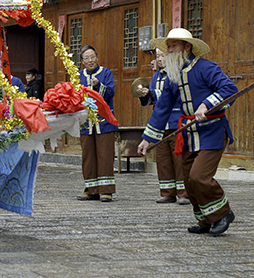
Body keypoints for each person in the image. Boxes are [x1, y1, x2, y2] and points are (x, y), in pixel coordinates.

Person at [137, 28, 238, 236]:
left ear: (187, 47)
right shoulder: (173, 76)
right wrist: (147, 139)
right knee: (188, 180)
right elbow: (162, 107)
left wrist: (206, 105)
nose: (170, 50)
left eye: (174, 46)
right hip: (189, 134)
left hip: (212, 131)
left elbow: (229, 89)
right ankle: (205, 220)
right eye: (169, 47)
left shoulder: (206, 67)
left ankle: (222, 214)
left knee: (199, 176)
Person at [136, 50, 189, 205]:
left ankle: (184, 193)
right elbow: (152, 101)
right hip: (160, 125)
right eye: (157, 56)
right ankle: (167, 192)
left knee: (178, 158)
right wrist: (145, 95)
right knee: (163, 159)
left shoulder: (177, 75)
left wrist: (152, 93)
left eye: (162, 55)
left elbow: (176, 98)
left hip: (175, 122)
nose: (159, 59)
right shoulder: (155, 77)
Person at [77, 45, 117, 202]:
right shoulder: (78, 75)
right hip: (85, 123)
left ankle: (106, 190)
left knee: (105, 154)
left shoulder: (106, 73)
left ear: (97, 58)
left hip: (104, 121)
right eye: (86, 58)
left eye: (92, 57)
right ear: (82, 61)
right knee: (88, 156)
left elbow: (110, 93)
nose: (90, 60)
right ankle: (91, 189)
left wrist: (98, 86)